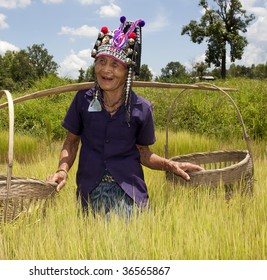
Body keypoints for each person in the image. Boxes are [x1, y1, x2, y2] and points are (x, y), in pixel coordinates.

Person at [47, 16, 202, 218]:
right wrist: (62, 170)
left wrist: (169, 165)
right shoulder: (82, 100)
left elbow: (144, 153)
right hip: (89, 192)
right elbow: (71, 142)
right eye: (101, 61)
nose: (106, 69)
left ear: (128, 71)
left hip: (130, 194)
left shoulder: (141, 108)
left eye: (115, 64)